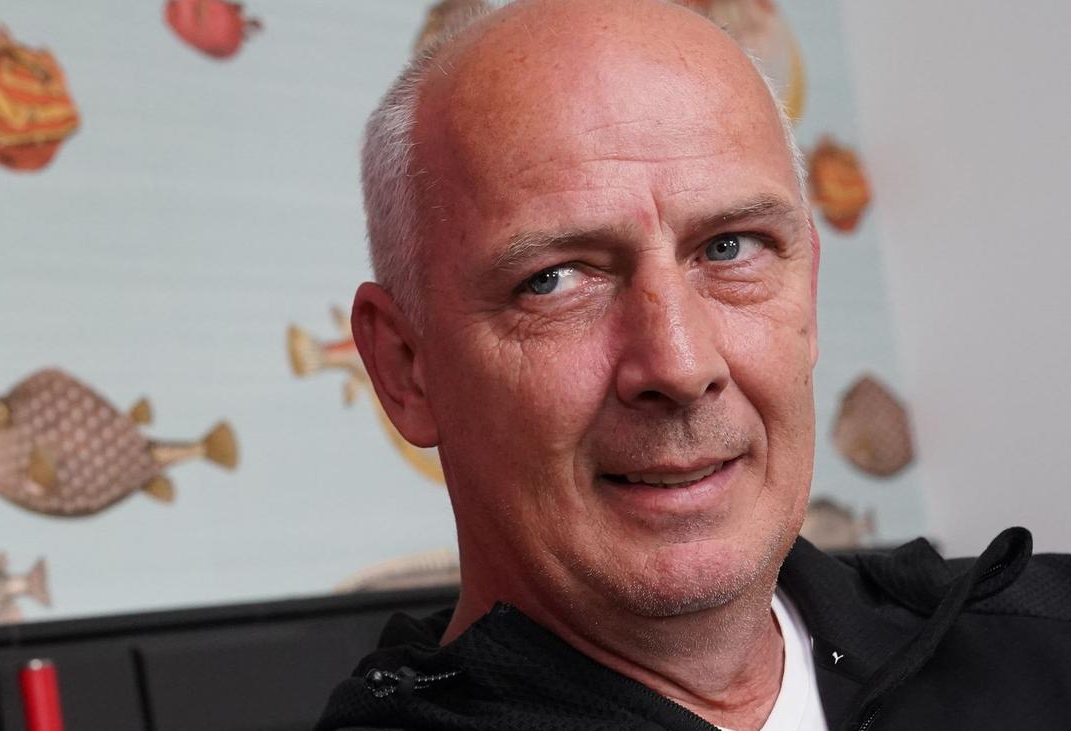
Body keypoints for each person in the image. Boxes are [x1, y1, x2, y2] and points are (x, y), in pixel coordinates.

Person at [316, 1, 1071, 729]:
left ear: (808, 297)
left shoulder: (1042, 639)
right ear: (405, 369)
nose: (679, 364)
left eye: (730, 248)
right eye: (554, 279)